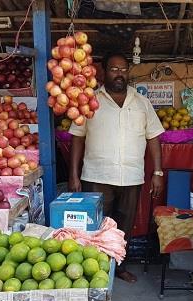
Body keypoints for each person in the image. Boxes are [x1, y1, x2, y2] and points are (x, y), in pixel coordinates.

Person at [68, 52, 165, 283]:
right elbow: (77, 138)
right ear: (104, 72)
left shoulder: (142, 103)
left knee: (124, 226)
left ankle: (119, 267)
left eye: (123, 69)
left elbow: (153, 138)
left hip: (131, 177)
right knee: (95, 226)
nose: (119, 74)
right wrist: (73, 174)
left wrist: (158, 172)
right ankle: (95, 270)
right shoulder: (90, 100)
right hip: (97, 175)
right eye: (114, 69)